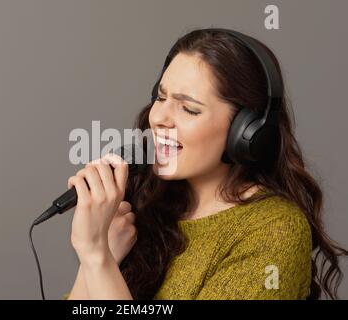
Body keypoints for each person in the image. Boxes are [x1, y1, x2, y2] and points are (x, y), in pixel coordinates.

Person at [63, 28, 347, 300]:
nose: (159, 117)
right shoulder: (146, 205)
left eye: (189, 108)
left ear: (246, 132)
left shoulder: (274, 231)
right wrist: (101, 260)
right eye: (161, 97)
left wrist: (95, 255)